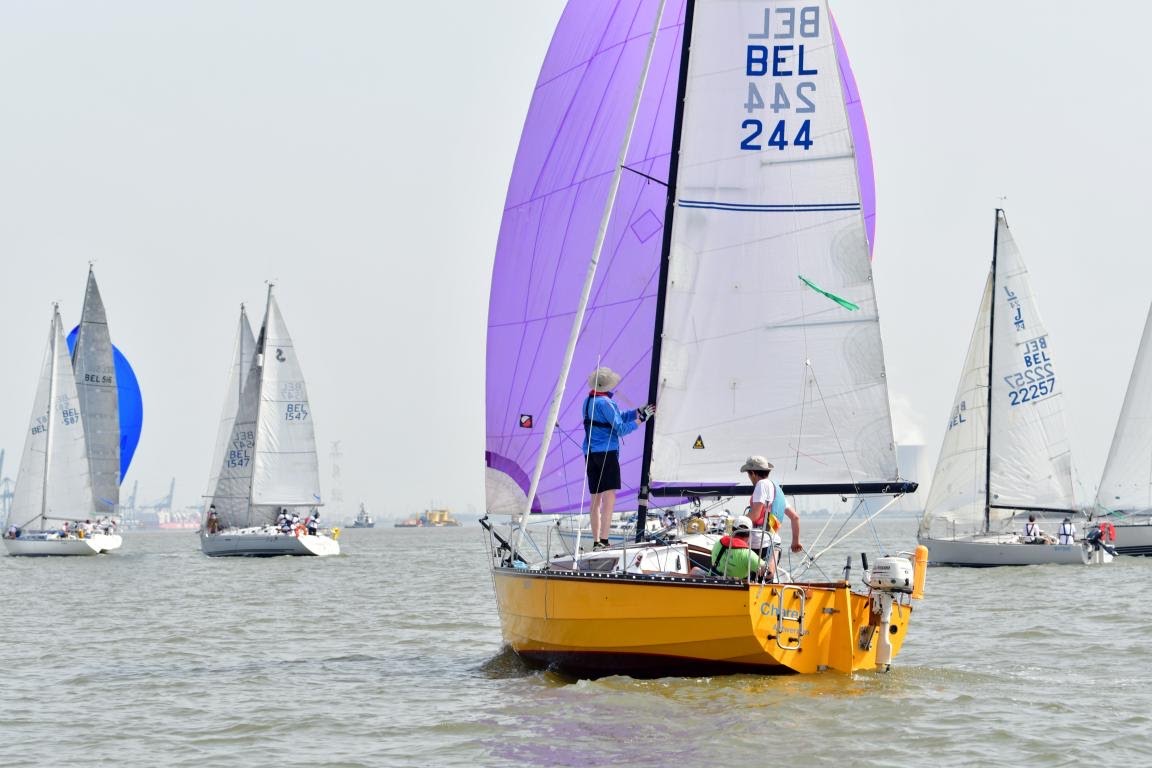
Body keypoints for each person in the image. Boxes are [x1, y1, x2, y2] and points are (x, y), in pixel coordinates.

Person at [582, 366, 655, 550]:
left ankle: (596, 542)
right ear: (608, 385)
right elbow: (620, 428)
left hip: (590, 454)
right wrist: (642, 419)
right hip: (607, 454)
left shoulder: (588, 401)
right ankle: (605, 541)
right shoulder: (606, 403)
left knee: (595, 500)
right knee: (609, 498)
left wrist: (638, 411)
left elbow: (617, 417)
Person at [740, 456, 800, 579]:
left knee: (752, 580)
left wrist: (737, 523)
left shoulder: (761, 484)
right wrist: (795, 541)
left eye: (748, 474)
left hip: (759, 543)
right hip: (773, 542)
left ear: (753, 473)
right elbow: (795, 517)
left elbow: (755, 515)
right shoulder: (777, 489)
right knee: (767, 579)